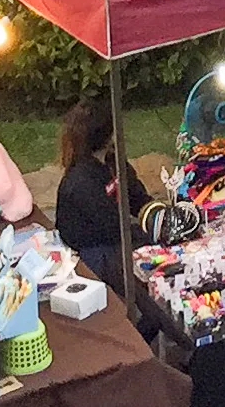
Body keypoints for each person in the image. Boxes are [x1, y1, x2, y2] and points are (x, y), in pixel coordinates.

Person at [53, 100, 152, 294]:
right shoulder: (81, 181)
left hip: (113, 237)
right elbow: (114, 228)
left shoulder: (112, 161)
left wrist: (157, 215)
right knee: (143, 269)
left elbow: (136, 195)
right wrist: (150, 233)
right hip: (90, 255)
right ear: (108, 135)